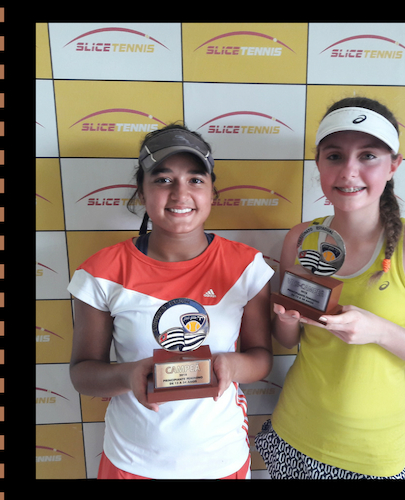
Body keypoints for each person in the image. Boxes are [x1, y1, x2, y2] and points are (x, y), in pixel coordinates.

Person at [255, 97, 405, 480]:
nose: (348, 172)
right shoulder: (301, 239)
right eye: (335, 156)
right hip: (292, 430)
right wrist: (286, 319)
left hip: (367, 454)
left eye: (368, 156)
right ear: (319, 163)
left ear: (393, 165)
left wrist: (379, 331)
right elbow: (288, 340)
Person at [68, 124, 274, 479]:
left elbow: (262, 358)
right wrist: (128, 374)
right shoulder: (101, 272)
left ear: (212, 192)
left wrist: (232, 366)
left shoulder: (246, 267)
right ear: (142, 191)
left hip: (221, 460)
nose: (180, 194)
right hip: (131, 462)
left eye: (195, 179)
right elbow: (83, 374)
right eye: (163, 180)